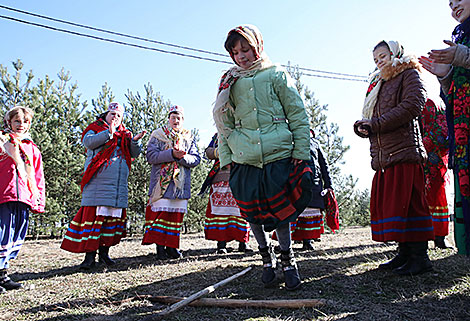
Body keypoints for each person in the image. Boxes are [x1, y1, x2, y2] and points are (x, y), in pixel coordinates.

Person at [213, 25, 314, 290]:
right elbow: (224, 124)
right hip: (243, 157)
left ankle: (288, 259)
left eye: (245, 49)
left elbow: (298, 114)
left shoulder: (275, 74)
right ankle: (265, 257)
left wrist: (301, 151)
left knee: (281, 212)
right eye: (235, 52)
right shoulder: (229, 82)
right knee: (252, 212)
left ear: (257, 46)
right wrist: (227, 161)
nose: (241, 56)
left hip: (278, 153)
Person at [354, 40, 435, 276]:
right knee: (398, 206)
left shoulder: (409, 73)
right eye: (375, 59)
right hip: (386, 153)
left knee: (410, 204)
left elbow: (413, 105)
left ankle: (420, 257)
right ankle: (404, 254)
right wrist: (366, 126)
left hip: (404, 150)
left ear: (395, 52)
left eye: (383, 56)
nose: (379, 62)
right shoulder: (379, 83)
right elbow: (376, 115)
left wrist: (376, 124)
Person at [61, 102, 145, 269]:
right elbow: (88, 142)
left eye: (118, 116)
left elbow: (134, 153)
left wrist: (135, 142)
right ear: (106, 115)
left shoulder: (125, 134)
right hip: (98, 182)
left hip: (118, 184)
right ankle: (89, 257)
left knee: (110, 220)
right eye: (112, 114)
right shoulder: (95, 128)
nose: (115, 117)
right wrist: (109, 133)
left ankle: (104, 254)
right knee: (94, 221)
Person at [419, 0, 470, 256]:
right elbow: (455, 97)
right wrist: (445, 75)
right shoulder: (459, 38)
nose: (454, 6)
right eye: (450, 3)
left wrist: (464, 57)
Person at [142, 105, 200, 259]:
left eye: (179, 118)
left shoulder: (189, 137)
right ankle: (160, 249)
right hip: (161, 183)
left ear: (183, 120)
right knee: (161, 215)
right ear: (168, 119)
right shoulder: (158, 135)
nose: (176, 120)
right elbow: (151, 156)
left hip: (180, 184)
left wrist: (182, 157)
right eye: (173, 117)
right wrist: (171, 154)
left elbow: (196, 159)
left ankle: (173, 247)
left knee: (175, 218)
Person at [0, 106, 45, 293]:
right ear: (8, 122)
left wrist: (38, 198)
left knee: (15, 234)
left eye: (25, 121)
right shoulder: (3, 141)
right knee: (2, 233)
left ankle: (2, 274)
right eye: (17, 121)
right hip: (4, 194)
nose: (21, 125)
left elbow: (37, 175)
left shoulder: (31, 148)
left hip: (24, 197)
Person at [200, 133, 251, 254]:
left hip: (241, 177)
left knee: (241, 210)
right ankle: (221, 243)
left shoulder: (244, 132)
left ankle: (243, 242)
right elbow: (208, 152)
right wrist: (220, 152)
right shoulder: (218, 135)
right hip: (220, 177)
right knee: (221, 211)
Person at [292, 129, 333, 250]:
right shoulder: (289, 142)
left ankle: (307, 240)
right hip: (294, 180)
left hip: (313, 180)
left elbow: (323, 164)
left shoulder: (315, 144)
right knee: (293, 210)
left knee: (309, 209)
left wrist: (328, 185)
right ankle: (288, 241)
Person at [421, 99, 451, 249]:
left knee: (436, 192)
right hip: (413, 155)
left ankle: (440, 236)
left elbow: (443, 131)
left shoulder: (435, 102)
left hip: (433, 158)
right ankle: (417, 239)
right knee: (415, 196)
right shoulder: (408, 97)